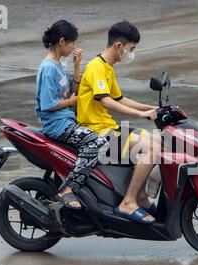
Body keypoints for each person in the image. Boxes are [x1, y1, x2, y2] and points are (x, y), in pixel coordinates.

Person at [77, 20, 161, 224]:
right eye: (131, 49)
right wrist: (141, 115)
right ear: (118, 46)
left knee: (158, 141)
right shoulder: (96, 67)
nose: (132, 54)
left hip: (108, 127)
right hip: (96, 131)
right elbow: (106, 101)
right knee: (153, 149)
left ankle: (141, 196)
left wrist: (150, 108)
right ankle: (129, 201)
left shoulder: (107, 68)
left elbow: (119, 98)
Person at [35, 20, 108, 209]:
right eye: (72, 43)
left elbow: (74, 89)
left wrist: (77, 67)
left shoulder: (59, 65)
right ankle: (68, 188)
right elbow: (47, 104)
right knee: (98, 143)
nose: (74, 47)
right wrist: (72, 102)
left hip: (67, 120)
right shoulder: (48, 68)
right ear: (61, 42)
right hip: (57, 125)